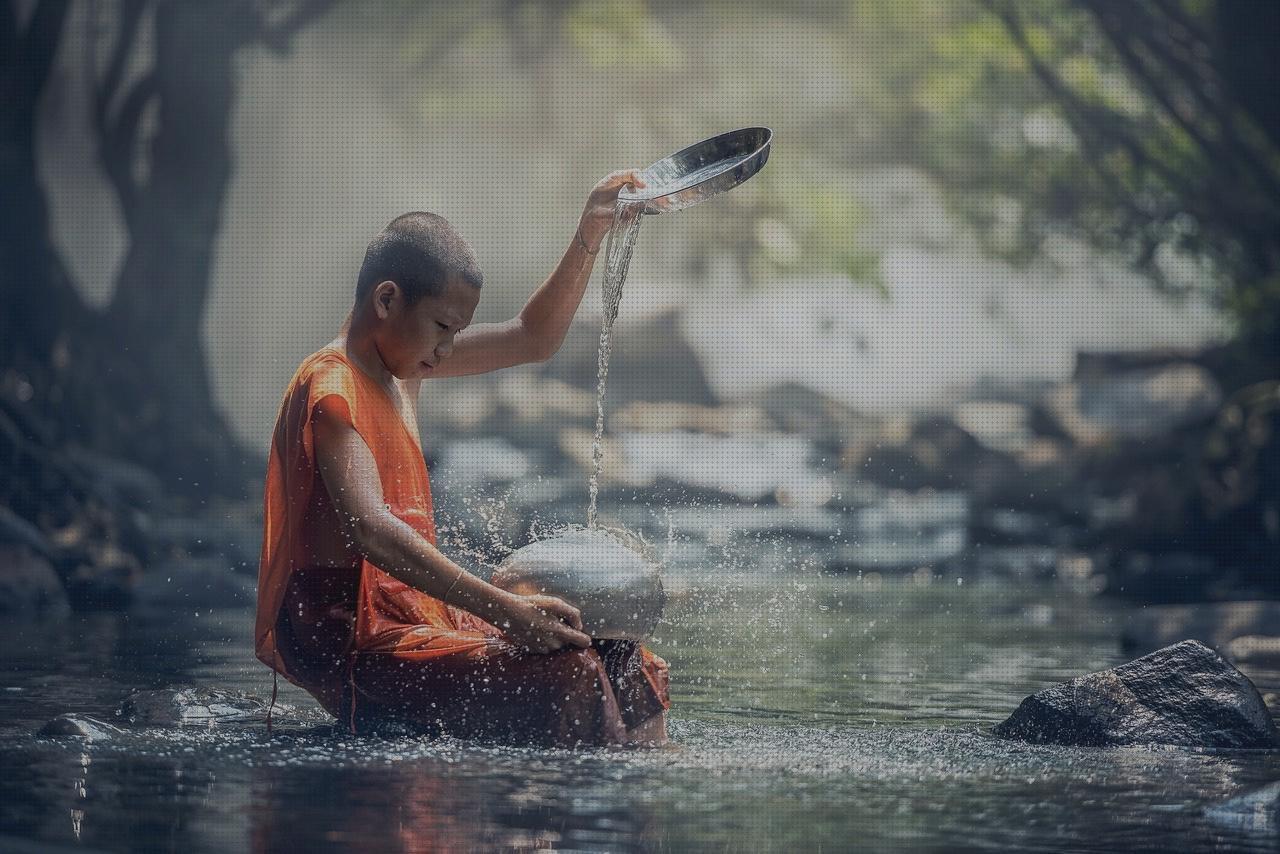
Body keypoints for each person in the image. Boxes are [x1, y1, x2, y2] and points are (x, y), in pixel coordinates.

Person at [254, 171, 669, 748]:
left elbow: (531, 338)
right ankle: (558, 823)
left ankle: (648, 789)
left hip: (415, 615)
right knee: (572, 673)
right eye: (443, 328)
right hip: (352, 641)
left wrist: (590, 232)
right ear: (387, 299)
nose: (448, 350)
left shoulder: (404, 363)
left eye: (458, 332)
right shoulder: (333, 385)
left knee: (624, 656)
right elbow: (369, 529)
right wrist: (504, 611)